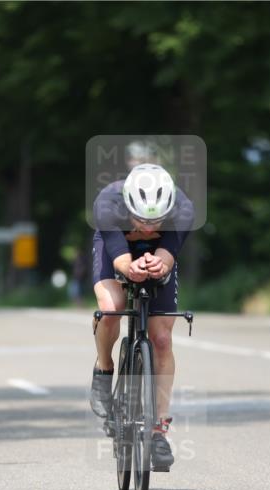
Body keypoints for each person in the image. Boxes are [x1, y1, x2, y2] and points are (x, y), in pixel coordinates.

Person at [90, 163, 192, 472]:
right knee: (111, 309)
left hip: (156, 254)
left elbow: (168, 253)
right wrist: (129, 267)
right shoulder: (107, 204)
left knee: (161, 339)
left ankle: (159, 431)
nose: (148, 228)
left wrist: (159, 264)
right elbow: (120, 258)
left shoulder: (184, 209)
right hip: (116, 250)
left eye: (157, 221)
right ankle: (104, 368)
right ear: (127, 205)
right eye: (141, 221)